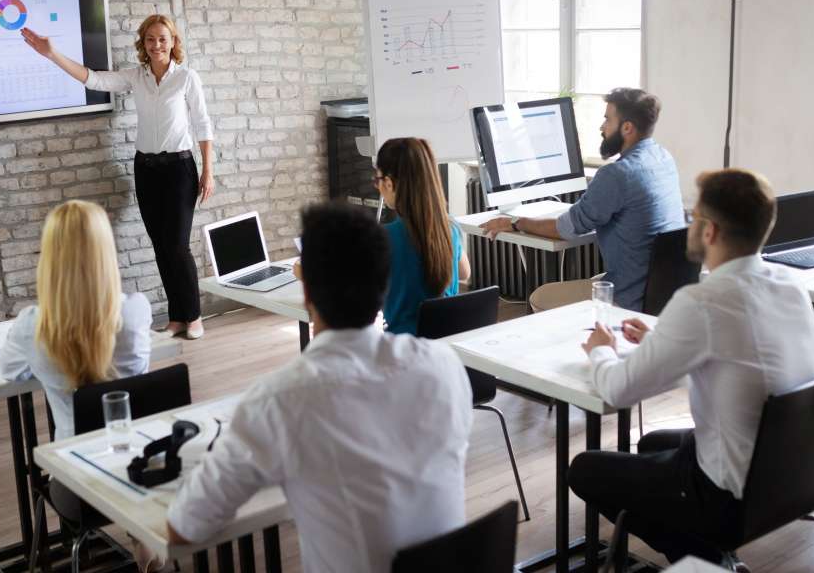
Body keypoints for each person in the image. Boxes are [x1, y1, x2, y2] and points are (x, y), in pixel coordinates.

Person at [166, 203, 473, 573]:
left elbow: (186, 527)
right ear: (385, 283)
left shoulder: (278, 401)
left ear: (307, 292)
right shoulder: (443, 366)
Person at [569, 169, 814, 567]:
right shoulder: (791, 287)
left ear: (710, 231)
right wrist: (661, 343)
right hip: (788, 474)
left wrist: (601, 350)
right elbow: (739, 361)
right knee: (653, 444)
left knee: (584, 469)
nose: (687, 220)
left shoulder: (703, 301)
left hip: (729, 496)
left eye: (693, 214)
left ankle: (708, 561)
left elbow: (617, 391)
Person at [21, 15, 213, 340]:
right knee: (161, 247)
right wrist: (52, 54)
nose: (156, 45)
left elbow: (203, 124)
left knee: (178, 246)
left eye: (162, 39)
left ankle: (194, 317)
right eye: (150, 39)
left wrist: (208, 170)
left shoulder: (186, 78)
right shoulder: (136, 77)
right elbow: (93, 80)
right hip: (146, 170)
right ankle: (177, 318)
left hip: (180, 169)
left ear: (173, 42)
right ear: (143, 43)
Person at [480, 88, 684, 311]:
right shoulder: (663, 158)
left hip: (627, 296)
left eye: (607, 119)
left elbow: (564, 229)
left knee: (540, 296)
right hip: (662, 291)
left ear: (627, 128)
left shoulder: (617, 174)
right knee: (597, 277)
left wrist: (514, 223)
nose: (602, 127)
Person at [0, 200, 152, 440]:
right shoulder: (135, 310)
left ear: (50, 256)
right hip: (133, 450)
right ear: (106, 250)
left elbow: (9, 370)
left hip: (71, 461)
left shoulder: (31, 325)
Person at [373, 137, 471, 334]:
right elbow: (464, 274)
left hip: (403, 352)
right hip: (447, 348)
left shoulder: (384, 238)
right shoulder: (450, 226)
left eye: (378, 179)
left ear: (390, 183)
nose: (378, 186)